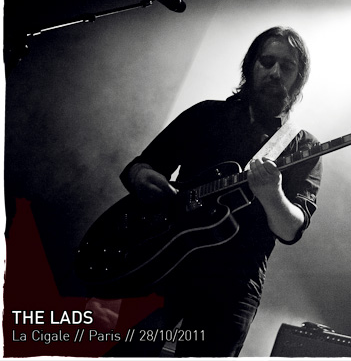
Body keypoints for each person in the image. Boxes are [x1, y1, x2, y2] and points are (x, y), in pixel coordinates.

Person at [117, 26, 322, 356]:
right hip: (163, 261)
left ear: (298, 79)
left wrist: (272, 193)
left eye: (287, 66)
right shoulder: (206, 114)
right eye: (267, 61)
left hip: (234, 284)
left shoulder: (304, 147)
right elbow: (139, 166)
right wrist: (142, 177)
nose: (275, 72)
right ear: (250, 66)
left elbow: (290, 229)